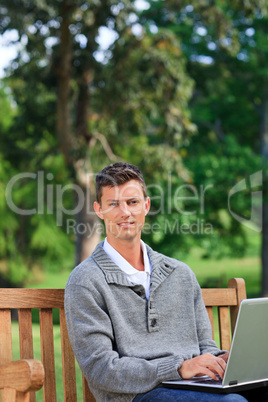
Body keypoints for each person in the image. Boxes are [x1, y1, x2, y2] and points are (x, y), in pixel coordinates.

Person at [64, 162, 265, 402]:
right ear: (99, 210)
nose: (125, 212)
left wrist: (222, 361)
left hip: (197, 386)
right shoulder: (85, 281)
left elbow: (205, 347)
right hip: (139, 395)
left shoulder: (180, 274)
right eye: (113, 204)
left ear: (146, 206)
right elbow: (102, 371)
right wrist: (178, 368)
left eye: (132, 202)